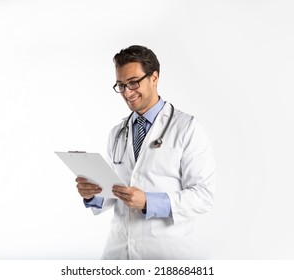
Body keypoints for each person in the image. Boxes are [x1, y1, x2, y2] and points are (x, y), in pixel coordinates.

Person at [75, 45, 216, 260]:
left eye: (133, 82)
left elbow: (203, 196)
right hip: (119, 252)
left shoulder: (187, 128)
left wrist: (149, 202)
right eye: (121, 85)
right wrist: (93, 193)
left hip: (164, 255)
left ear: (154, 77)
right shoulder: (117, 133)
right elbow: (115, 190)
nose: (127, 92)